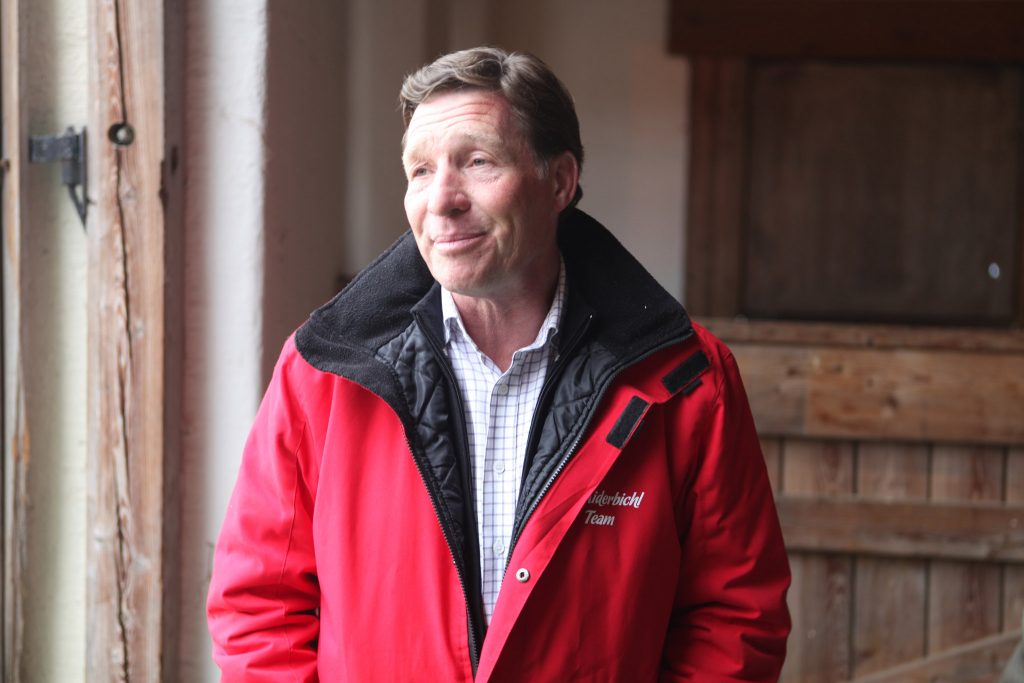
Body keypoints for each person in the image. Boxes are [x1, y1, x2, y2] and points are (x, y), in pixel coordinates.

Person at [207, 46, 791, 681]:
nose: (442, 200)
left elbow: (735, 617)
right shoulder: (323, 373)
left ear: (559, 181)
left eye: (478, 162)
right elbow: (258, 607)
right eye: (420, 171)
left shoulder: (686, 380)